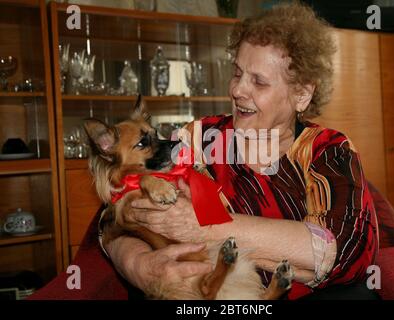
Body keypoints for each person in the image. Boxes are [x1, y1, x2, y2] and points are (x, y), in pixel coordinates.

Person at [104, 2, 379, 300]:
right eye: (237, 73)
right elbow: (110, 217)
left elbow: (337, 249)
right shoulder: (200, 139)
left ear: (301, 93)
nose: (237, 90)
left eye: (258, 81)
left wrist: (204, 229)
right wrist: (138, 263)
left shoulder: (329, 151)